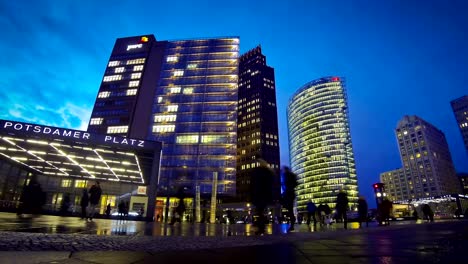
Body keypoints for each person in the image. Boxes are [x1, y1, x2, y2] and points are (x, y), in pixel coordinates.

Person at [250, 158, 275, 235]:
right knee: (260, 211)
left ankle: (259, 227)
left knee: (260, 211)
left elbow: (254, 183)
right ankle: (260, 227)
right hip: (264, 195)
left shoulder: (259, 171)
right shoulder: (268, 172)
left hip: (260, 194)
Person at [282, 166, 298, 232]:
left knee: (290, 209)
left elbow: (285, 184)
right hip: (291, 193)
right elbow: (295, 183)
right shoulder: (292, 175)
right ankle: (292, 224)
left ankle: (292, 224)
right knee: (290, 209)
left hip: (288, 193)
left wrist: (284, 187)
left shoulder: (287, 175)